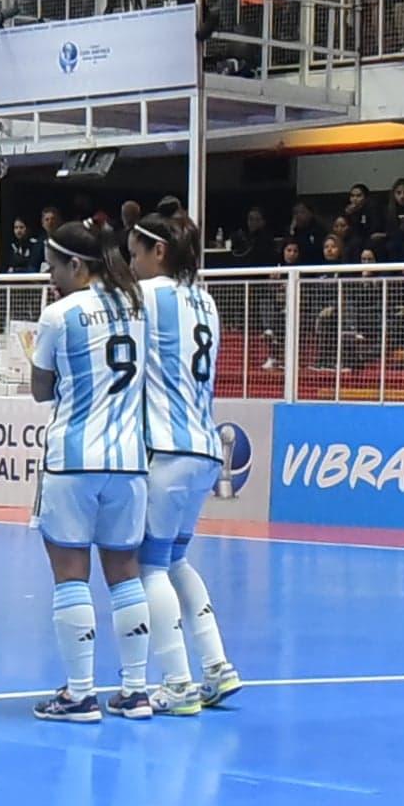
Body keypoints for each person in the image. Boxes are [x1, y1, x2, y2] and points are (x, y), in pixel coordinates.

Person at [26, 223, 154, 723]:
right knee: (126, 576)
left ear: (76, 266)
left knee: (70, 576)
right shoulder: (136, 307)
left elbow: (40, 390)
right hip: (129, 461)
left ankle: (80, 694)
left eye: (54, 265)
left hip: (73, 459)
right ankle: (137, 690)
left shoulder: (59, 314)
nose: (50, 275)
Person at [126, 214, 245, 717]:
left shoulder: (150, 297)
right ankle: (217, 666)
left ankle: (176, 681)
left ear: (158, 254)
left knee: (147, 565)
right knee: (175, 560)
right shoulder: (207, 301)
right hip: (205, 447)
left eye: (134, 254)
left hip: (167, 448)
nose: (130, 265)